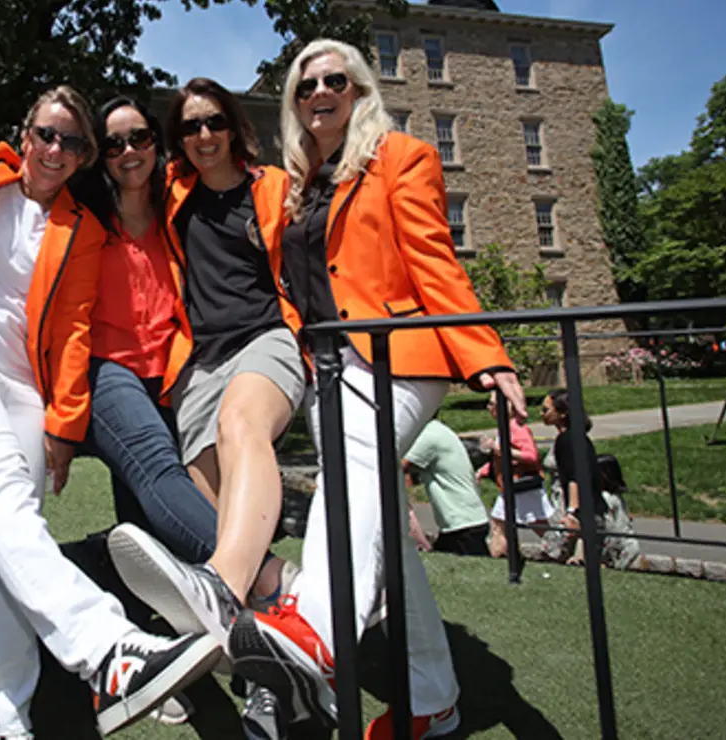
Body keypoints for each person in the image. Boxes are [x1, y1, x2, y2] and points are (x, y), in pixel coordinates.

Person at [0, 4, 221, 737]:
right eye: (45, 134)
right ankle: (111, 652)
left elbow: (72, 334)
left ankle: (10, 714)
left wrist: (64, 428)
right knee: (0, 491)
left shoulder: (83, 230)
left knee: (14, 531)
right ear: (23, 136)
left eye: (72, 142)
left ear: (83, 156)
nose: (55, 149)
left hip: (18, 389)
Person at [219, 38, 528, 740]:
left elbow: (435, 262)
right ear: (295, 102)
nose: (319, 91)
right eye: (305, 85)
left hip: (399, 356)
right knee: (382, 514)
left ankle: (319, 628)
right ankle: (434, 701)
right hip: (329, 369)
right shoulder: (299, 181)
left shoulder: (402, 157)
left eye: (336, 79)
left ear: (359, 89)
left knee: (355, 465)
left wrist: (488, 358)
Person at [71, 93, 300, 735]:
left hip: (174, 371)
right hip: (107, 369)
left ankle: (168, 654)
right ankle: (273, 581)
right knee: (159, 475)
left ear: (156, 143)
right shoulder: (84, 215)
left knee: (145, 517)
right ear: (101, 155)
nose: (127, 152)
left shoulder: (179, 198)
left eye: (138, 137)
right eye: (112, 143)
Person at [537, 390, 640, 568]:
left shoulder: (567, 440)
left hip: (579, 509)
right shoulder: (578, 437)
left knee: (558, 555)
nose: (541, 414)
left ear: (562, 413)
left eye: (546, 410)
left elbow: (574, 477)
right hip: (590, 509)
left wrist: (571, 511)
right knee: (584, 560)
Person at [477, 391, 554, 558]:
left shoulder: (516, 428)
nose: (488, 408)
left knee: (538, 526)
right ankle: (504, 555)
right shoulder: (506, 426)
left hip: (521, 486)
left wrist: (498, 448)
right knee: (499, 524)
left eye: (492, 404)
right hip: (511, 486)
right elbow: (502, 458)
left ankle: (566, 550)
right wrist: (483, 471)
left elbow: (531, 456)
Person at [403, 418, 491, 556]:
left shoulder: (429, 434)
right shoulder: (438, 430)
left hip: (463, 524)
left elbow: (401, 466)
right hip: (462, 523)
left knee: (478, 571)